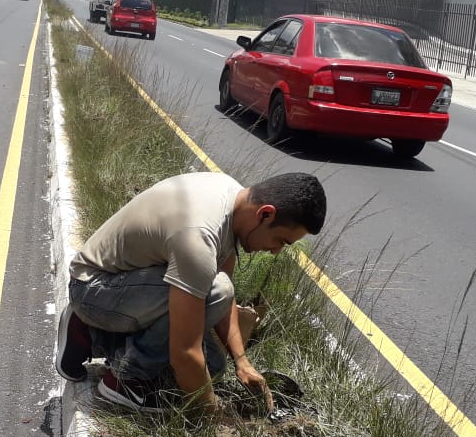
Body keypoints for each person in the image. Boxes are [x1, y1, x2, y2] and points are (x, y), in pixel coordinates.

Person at [56, 171, 327, 415]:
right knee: (210, 312)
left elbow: (224, 298)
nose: (276, 250)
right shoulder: (199, 236)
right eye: (280, 240)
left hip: (131, 284)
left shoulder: (232, 198)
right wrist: (210, 414)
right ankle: (123, 379)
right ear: (265, 214)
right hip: (92, 288)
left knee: (214, 368)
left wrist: (242, 362)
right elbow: (185, 351)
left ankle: (92, 335)